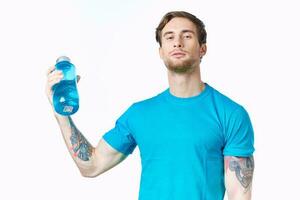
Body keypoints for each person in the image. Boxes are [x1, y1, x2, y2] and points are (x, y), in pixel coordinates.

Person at [45, 11, 255, 200]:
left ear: (202, 49)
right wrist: (61, 114)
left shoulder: (231, 114)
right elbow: (91, 166)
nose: (178, 43)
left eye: (187, 36)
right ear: (161, 51)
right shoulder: (139, 114)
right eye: (169, 37)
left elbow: (240, 195)